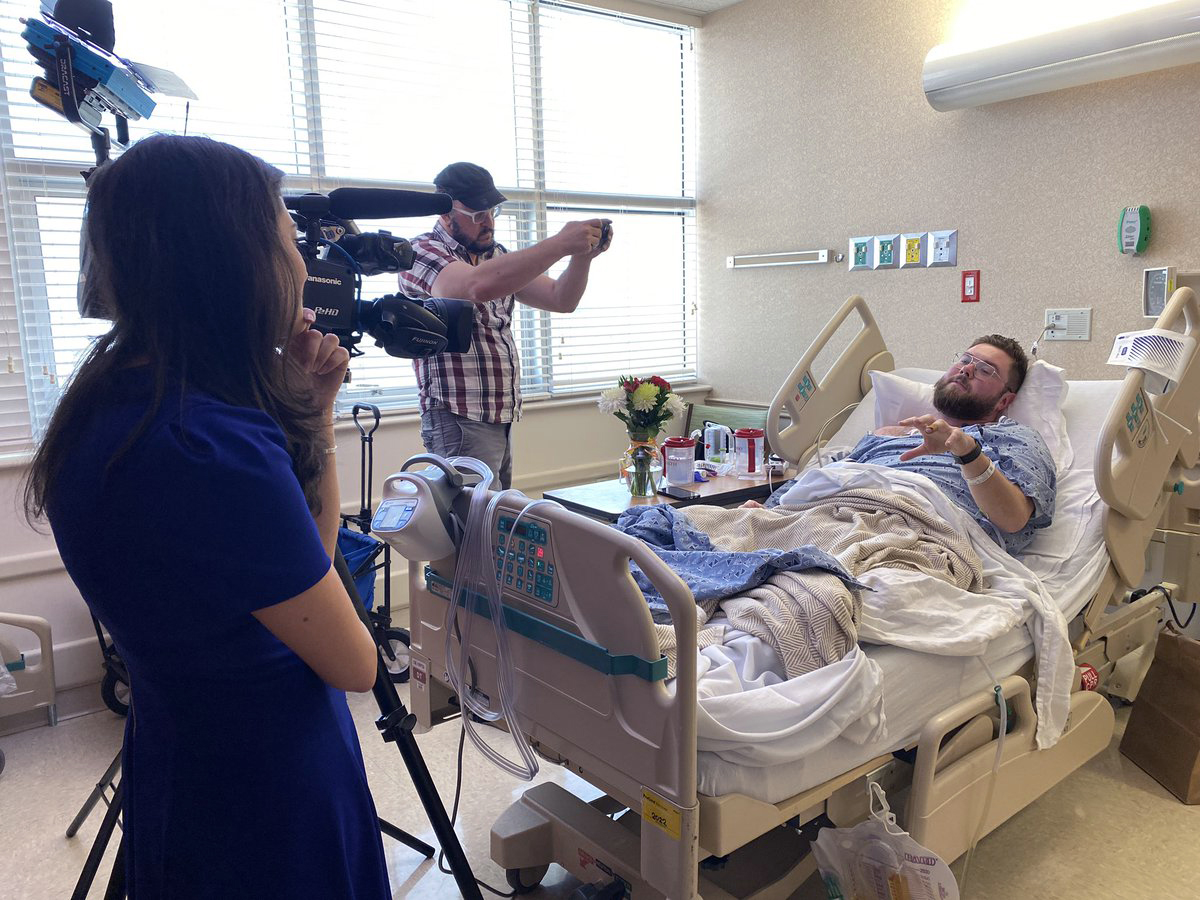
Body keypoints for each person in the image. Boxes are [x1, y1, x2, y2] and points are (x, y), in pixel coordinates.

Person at [22, 135, 391, 898]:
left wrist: (314, 415)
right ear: (234, 260)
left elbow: (300, 570)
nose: (301, 265)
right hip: (265, 790)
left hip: (178, 752)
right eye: (289, 241)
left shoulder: (106, 407)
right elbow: (354, 663)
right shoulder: (209, 448)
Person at [399, 162, 613, 489]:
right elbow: (472, 287)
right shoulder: (421, 251)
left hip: (499, 418)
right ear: (446, 214)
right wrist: (559, 243)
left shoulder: (493, 256)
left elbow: (560, 299)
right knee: (472, 531)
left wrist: (581, 256)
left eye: (492, 211)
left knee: (491, 527)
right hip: (458, 417)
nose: (488, 223)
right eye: (476, 215)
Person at [757, 335, 1056, 555]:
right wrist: (766, 512)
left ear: (1005, 400)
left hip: (913, 534)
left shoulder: (1014, 438)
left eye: (985, 370)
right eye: (965, 360)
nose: (966, 370)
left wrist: (966, 451)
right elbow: (827, 479)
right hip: (825, 515)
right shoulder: (890, 432)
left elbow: (1014, 519)